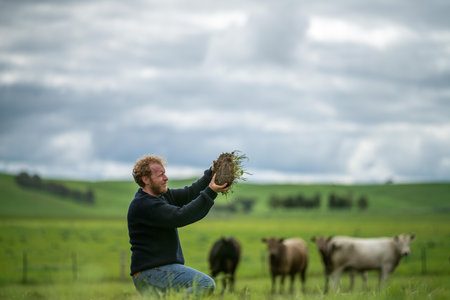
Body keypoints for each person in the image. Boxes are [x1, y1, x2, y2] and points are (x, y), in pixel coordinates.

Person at [127, 154, 230, 298]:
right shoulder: (145, 205)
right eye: (160, 175)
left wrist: (211, 173)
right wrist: (211, 192)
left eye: (165, 173)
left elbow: (190, 193)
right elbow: (181, 216)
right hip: (150, 273)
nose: (166, 177)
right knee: (204, 284)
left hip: (157, 271)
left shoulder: (159, 197)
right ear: (145, 179)